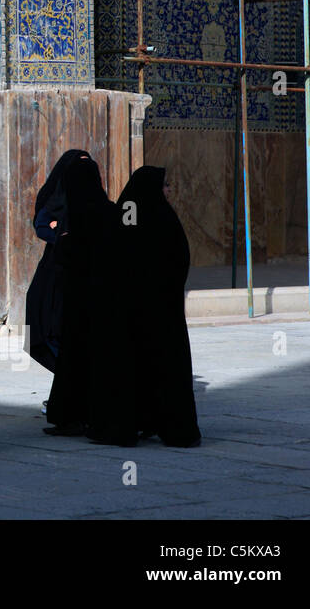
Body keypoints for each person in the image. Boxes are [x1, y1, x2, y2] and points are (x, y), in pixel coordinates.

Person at [94, 166, 200, 447]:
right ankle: (162, 424)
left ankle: (138, 422)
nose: (168, 190)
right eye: (165, 185)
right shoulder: (153, 218)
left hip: (142, 309)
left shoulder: (152, 216)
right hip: (156, 311)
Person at [43, 156, 116, 436]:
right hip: (104, 301)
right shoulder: (110, 212)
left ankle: (71, 416)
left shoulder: (76, 218)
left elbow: (70, 257)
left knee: (75, 356)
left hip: (79, 301)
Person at [24, 149, 91, 374]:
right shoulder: (56, 199)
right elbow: (42, 225)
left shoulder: (97, 203)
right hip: (58, 272)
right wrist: (63, 233)